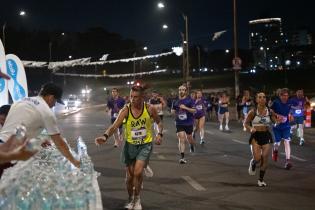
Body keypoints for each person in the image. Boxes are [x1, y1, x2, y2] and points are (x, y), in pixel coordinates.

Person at [95, 83, 163, 210]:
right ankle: (130, 198)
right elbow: (114, 126)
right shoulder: (125, 110)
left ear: (142, 97)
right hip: (130, 145)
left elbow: (159, 122)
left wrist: (159, 134)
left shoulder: (150, 109)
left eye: (136, 97)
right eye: (131, 96)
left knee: (137, 173)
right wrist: (104, 136)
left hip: (145, 145)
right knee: (129, 178)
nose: (133, 99)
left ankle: (137, 199)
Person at [0, 83, 80, 168]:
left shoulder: (20, 101)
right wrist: (74, 162)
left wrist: (38, 140)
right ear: (51, 97)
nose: (54, 104)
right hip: (10, 155)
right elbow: (60, 144)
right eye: (55, 101)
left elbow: (19, 127)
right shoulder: (47, 113)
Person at [244, 92, 276, 187]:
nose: (262, 99)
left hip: (266, 135)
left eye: (264, 97)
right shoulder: (253, 112)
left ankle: (260, 180)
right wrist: (250, 128)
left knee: (265, 158)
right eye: (260, 97)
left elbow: (275, 121)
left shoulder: (270, 111)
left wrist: (278, 121)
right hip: (255, 136)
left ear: (266, 99)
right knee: (258, 158)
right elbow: (245, 123)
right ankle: (253, 162)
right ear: (257, 100)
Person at [171, 85, 196, 164]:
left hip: (188, 122)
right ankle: (182, 157)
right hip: (179, 123)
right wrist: (173, 112)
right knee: (181, 139)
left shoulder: (190, 100)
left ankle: (191, 145)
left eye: (183, 90)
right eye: (180, 90)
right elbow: (173, 110)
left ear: (186, 91)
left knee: (190, 138)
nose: (181, 91)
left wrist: (185, 108)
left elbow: (194, 111)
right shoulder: (175, 101)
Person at [270, 88, 294, 170]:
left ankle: (288, 161)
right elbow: (270, 110)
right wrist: (277, 115)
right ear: (280, 96)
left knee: (287, 141)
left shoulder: (289, 102)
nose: (285, 97)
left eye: (287, 95)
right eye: (284, 95)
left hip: (286, 126)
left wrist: (291, 114)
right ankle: (275, 150)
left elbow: (291, 110)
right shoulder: (276, 102)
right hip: (277, 126)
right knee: (278, 143)